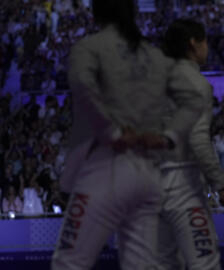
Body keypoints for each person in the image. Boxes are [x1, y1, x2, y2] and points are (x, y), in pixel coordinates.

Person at [50, 0, 203, 269]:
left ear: (97, 12)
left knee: (68, 262)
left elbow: (84, 90)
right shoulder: (155, 57)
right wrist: (167, 137)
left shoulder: (89, 49)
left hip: (104, 167)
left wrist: (113, 132)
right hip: (148, 175)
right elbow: (193, 100)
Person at [150, 18, 224, 270]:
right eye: (204, 41)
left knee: (163, 264)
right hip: (182, 185)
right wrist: (220, 185)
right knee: (205, 262)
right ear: (193, 44)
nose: (207, 47)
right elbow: (198, 140)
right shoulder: (196, 85)